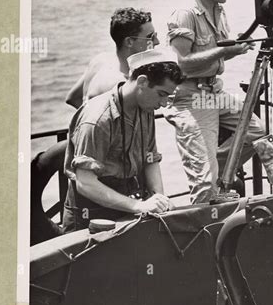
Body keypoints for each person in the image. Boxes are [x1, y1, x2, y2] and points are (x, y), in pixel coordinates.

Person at [164, 0, 265, 204]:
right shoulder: (184, 14)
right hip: (189, 97)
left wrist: (235, 49)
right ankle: (206, 187)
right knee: (204, 186)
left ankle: (212, 170)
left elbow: (214, 58)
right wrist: (223, 50)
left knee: (257, 133)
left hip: (214, 93)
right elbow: (182, 64)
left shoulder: (219, 11)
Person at [62, 48, 183, 232]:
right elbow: (85, 183)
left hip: (125, 202)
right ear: (142, 81)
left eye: (169, 96)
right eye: (162, 94)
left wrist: (159, 199)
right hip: (90, 213)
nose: (164, 103)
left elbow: (150, 159)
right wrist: (138, 206)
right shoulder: (98, 119)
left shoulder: (146, 108)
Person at [65, 7, 160, 108]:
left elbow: (73, 98)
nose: (157, 41)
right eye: (151, 37)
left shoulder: (100, 60)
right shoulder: (123, 85)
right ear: (129, 42)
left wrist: (88, 116)